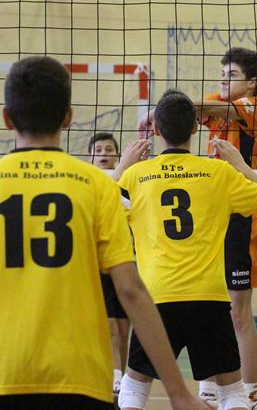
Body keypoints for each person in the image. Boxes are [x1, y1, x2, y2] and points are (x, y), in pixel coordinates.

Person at [0, 57, 208, 410]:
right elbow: (131, 290)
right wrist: (178, 393)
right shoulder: (97, 187)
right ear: (68, 117)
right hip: (80, 381)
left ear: (7, 118)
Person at [119, 90, 257, 410]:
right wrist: (241, 165)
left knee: (134, 389)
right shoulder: (219, 172)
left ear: (157, 130)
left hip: (157, 298)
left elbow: (99, 209)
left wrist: (122, 168)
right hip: (209, 298)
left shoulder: (136, 176)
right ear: (196, 128)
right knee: (232, 393)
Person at [87, 132, 150, 398]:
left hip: (124, 261)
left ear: (117, 155)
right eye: (98, 149)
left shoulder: (127, 182)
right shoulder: (88, 181)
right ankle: (111, 377)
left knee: (123, 329)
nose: (103, 153)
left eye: (108, 149)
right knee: (109, 326)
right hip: (96, 262)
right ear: (90, 156)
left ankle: (120, 377)